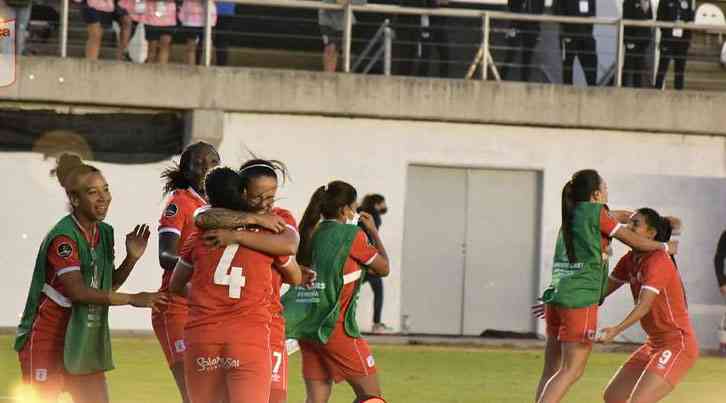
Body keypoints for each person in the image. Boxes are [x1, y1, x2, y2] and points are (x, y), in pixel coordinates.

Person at [14, 153, 163, 402]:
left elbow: (105, 286)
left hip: (82, 340)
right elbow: (79, 293)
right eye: (92, 192)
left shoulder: (104, 233)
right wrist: (132, 299)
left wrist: (132, 258)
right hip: (47, 341)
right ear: (74, 198)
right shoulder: (64, 238)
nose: (103, 196)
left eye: (105, 189)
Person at [534, 169, 678, 403]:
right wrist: (664, 246)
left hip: (557, 298)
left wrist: (654, 220)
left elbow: (620, 216)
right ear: (596, 194)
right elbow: (630, 238)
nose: (608, 193)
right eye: (606, 188)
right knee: (572, 370)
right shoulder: (595, 214)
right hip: (579, 302)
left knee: (551, 369)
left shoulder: (572, 215)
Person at [170, 166, 301, 403]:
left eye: (270, 196)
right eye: (258, 196)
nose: (265, 202)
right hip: (251, 334)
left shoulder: (200, 233)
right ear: (243, 193)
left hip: (203, 334)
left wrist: (203, 297)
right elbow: (294, 273)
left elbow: (176, 284)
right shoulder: (267, 231)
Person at [283, 180, 390, 403]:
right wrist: (372, 231)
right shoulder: (351, 235)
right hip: (336, 327)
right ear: (345, 210)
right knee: (372, 397)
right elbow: (384, 268)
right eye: (354, 206)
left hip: (309, 329)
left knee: (316, 400)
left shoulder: (309, 232)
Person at [600, 208, 698, 403]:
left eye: (636, 224)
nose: (629, 228)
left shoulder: (658, 260)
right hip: (653, 343)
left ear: (651, 234)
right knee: (613, 396)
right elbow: (599, 294)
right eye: (629, 223)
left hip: (677, 344)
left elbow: (643, 306)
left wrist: (616, 330)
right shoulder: (629, 260)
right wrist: (561, 302)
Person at [154, 141, 220, 403]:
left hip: (206, 307)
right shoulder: (180, 204)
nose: (206, 169)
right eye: (199, 163)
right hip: (176, 307)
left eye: (212, 163)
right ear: (186, 169)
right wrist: (199, 265)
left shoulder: (219, 207)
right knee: (194, 394)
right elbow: (165, 255)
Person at [358, 194, 391, 333]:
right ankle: (377, 324)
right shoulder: (374, 216)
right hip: (367, 260)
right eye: (383, 203)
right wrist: (374, 260)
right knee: (378, 290)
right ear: (378, 203)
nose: (385, 206)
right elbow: (372, 236)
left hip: (356, 259)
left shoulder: (360, 212)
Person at [654, 0, 694, 90]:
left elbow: (691, 18)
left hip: (682, 41)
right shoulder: (664, 1)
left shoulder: (688, 1)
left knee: (680, 70)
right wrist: (672, 24)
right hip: (668, 39)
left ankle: (678, 95)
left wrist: (685, 24)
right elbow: (659, 19)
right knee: (662, 67)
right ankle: (656, 92)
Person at [556, 0, 598, 86]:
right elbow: (558, 11)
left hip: (586, 36)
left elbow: (593, 13)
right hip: (569, 35)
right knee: (568, 68)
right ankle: (567, 94)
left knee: (591, 68)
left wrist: (588, 30)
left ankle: (593, 91)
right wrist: (566, 30)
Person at [502, 0, 544, 82]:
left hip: (532, 25)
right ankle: (502, 78)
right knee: (510, 54)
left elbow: (540, 7)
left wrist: (537, 25)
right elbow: (511, 4)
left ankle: (525, 82)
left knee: (527, 56)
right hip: (516, 23)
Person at [319, 0, 366, 72]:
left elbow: (362, 2)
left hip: (346, 23)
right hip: (327, 22)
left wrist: (348, 1)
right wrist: (337, 1)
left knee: (343, 50)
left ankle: (343, 74)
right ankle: (328, 76)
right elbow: (326, 2)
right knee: (330, 48)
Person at [622, 0, 653, 88]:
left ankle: (637, 90)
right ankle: (623, 89)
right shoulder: (629, 2)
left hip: (643, 41)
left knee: (639, 68)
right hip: (632, 40)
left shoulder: (648, 2)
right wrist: (628, 40)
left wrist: (648, 38)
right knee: (628, 67)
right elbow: (626, 20)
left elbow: (649, 18)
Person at [177, 0, 217, 65]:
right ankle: (192, 72)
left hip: (208, 17)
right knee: (191, 47)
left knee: (207, 46)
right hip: (191, 18)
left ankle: (204, 71)